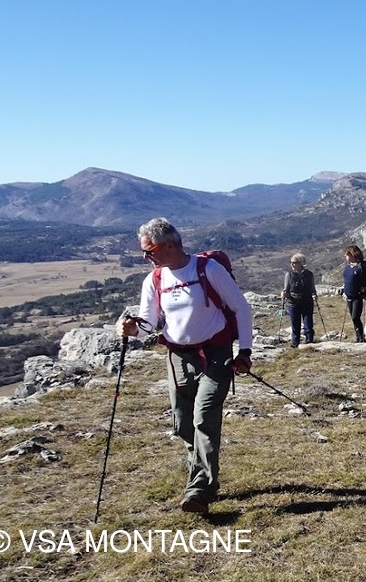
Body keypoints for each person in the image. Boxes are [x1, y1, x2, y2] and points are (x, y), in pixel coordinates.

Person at [116, 217, 254, 515]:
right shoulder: (154, 280)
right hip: (178, 357)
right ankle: (201, 476)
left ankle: (199, 490)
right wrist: (131, 329)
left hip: (215, 354)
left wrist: (244, 351)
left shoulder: (209, 270)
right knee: (183, 424)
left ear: (169, 245)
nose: (145, 257)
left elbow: (241, 307)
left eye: (149, 250)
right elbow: (148, 323)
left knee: (204, 417)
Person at [342, 245, 366, 343]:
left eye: (347, 254)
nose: (345, 256)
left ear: (352, 254)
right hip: (349, 296)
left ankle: (361, 339)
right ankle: (358, 338)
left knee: (355, 317)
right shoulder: (348, 267)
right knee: (354, 318)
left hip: (358, 296)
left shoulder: (362, 267)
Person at [281, 253, 317, 347]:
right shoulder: (289, 275)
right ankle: (295, 343)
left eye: (294, 262)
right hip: (293, 302)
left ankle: (309, 342)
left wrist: (314, 294)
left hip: (307, 301)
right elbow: (286, 289)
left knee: (308, 323)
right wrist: (284, 294)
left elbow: (312, 287)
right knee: (295, 324)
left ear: (301, 263)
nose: (292, 264)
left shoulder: (309, 274)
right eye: (291, 262)